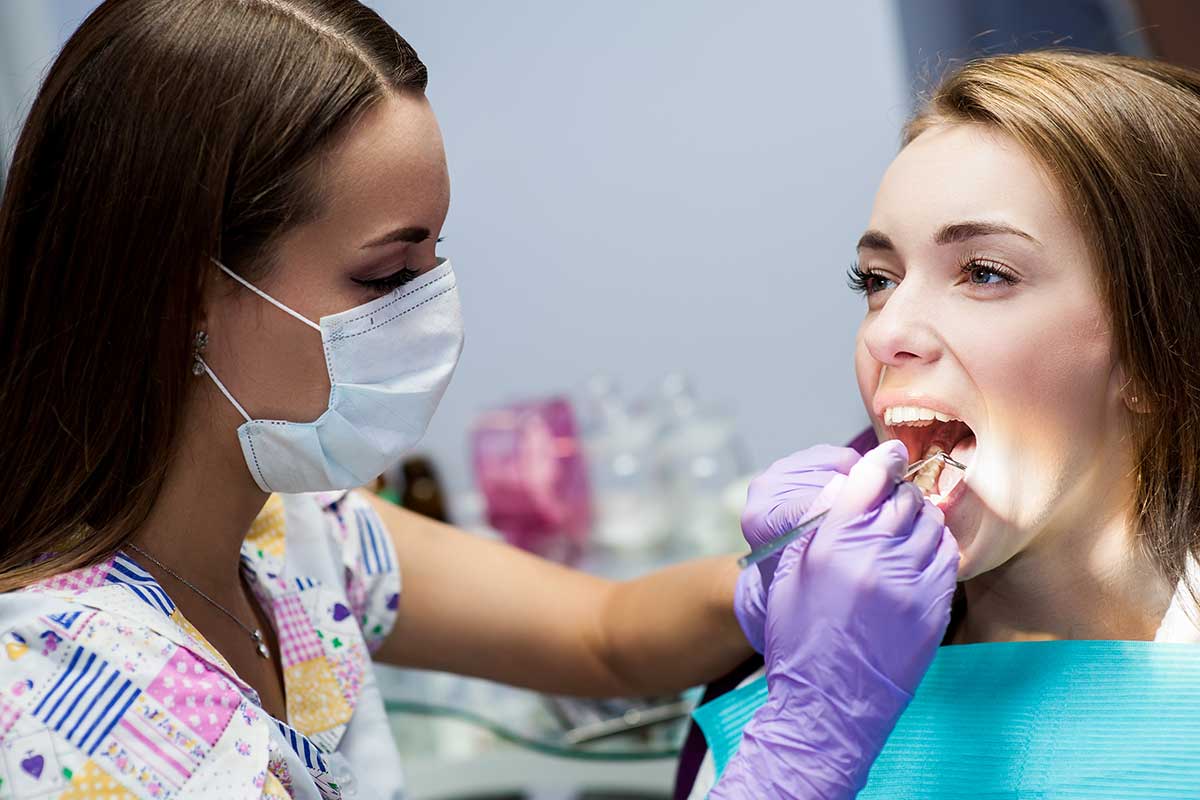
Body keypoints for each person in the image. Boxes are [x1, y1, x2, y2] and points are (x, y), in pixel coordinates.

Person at [0, 2, 955, 797]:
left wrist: (778, 574)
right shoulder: (71, 698)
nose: (433, 315)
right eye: (384, 277)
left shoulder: (288, 535)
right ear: (182, 296)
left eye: (436, 257)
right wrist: (803, 745)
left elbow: (603, 638)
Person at [692, 48, 1200, 797]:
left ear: (1160, 352)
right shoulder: (799, 688)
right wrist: (806, 726)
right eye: (877, 280)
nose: (885, 331)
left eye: (984, 273)